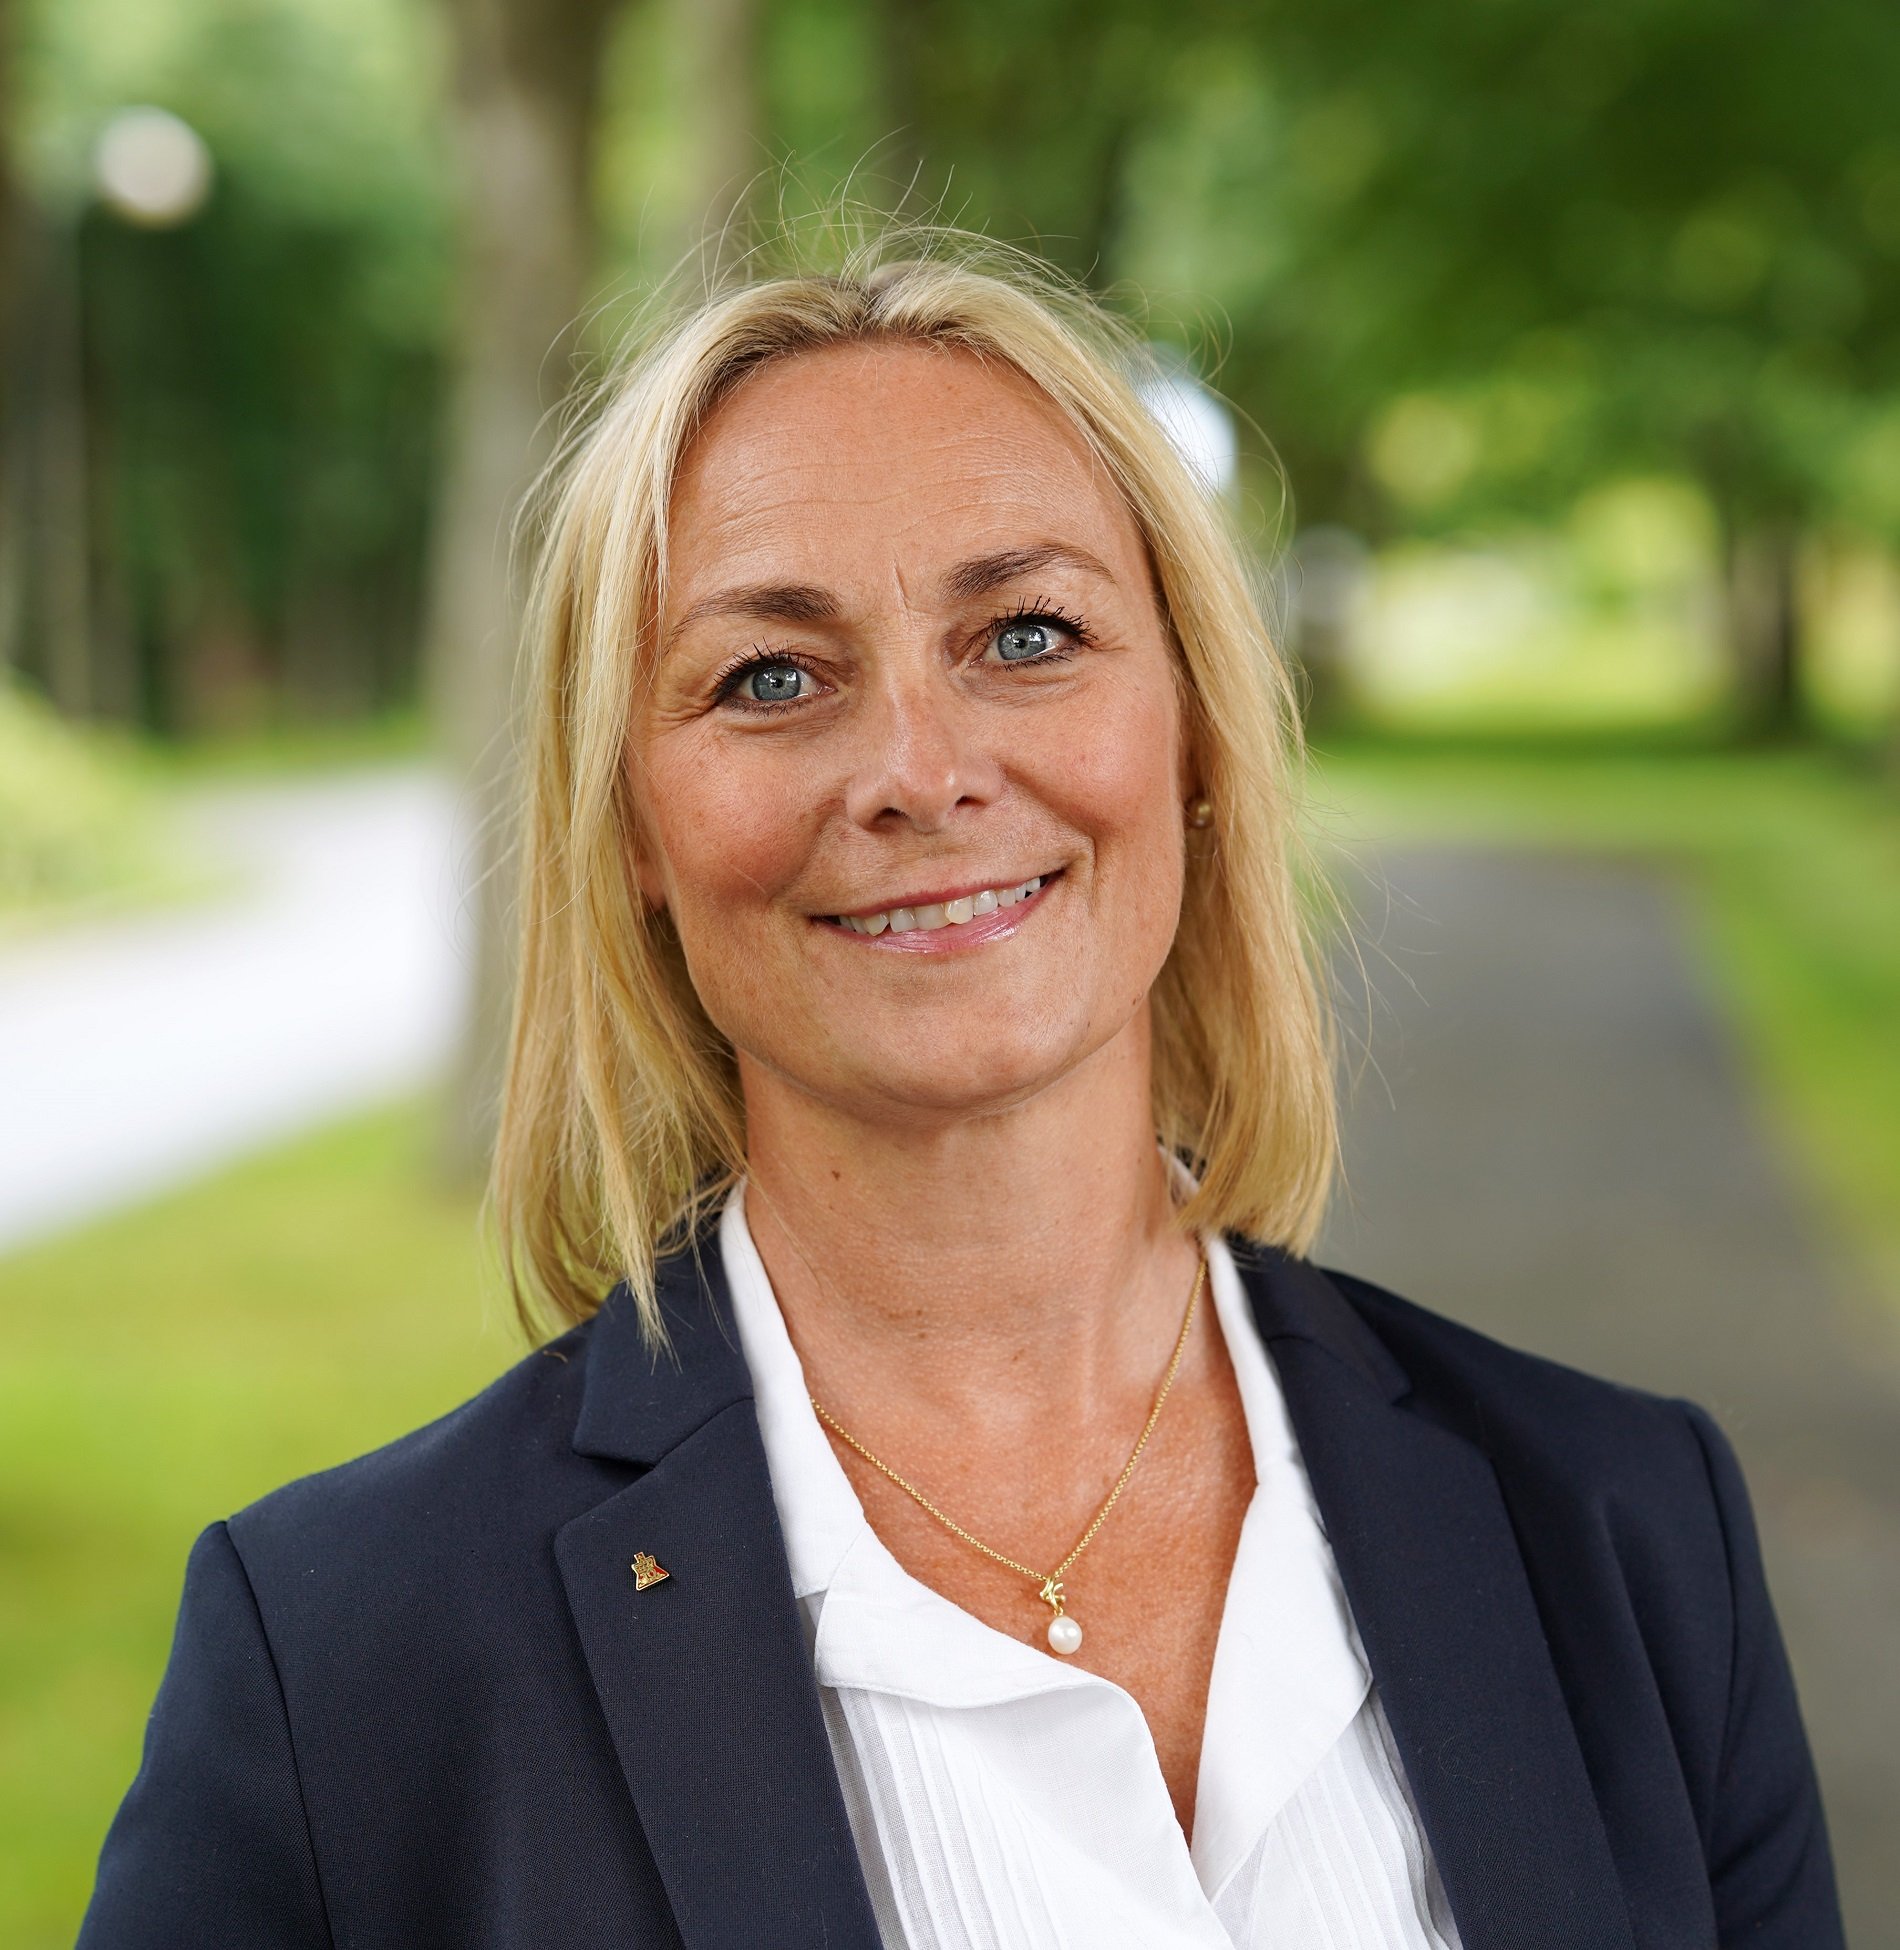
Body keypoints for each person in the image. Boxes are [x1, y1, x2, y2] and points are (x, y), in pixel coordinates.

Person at [78, 232, 1843, 1949]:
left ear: (1198, 731)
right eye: (772, 676)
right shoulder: (346, 1662)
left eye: (1028, 635)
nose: (922, 771)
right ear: (631, 829)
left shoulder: (1621, 1525)